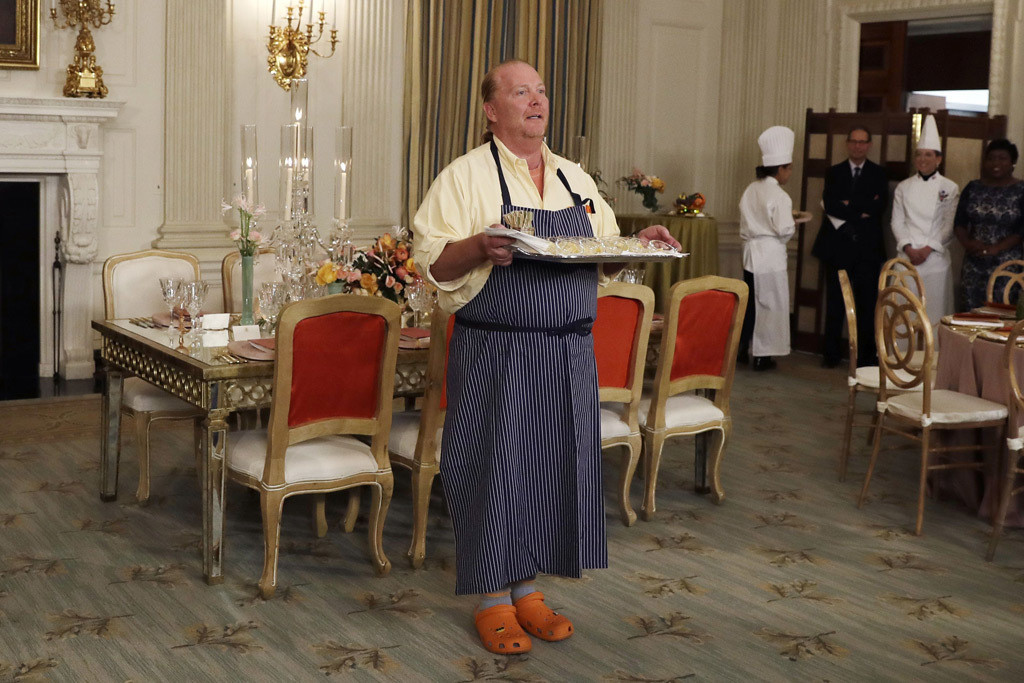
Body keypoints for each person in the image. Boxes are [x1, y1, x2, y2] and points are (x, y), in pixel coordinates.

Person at [411, 59, 678, 655]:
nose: (536, 101)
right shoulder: (462, 178)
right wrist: (479, 246)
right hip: (496, 349)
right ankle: (491, 601)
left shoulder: (576, 181)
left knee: (551, 473)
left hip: (566, 352)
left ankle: (527, 590)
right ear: (490, 108)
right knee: (491, 469)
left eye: (541, 92)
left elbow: (603, 255)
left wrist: (639, 246)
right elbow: (432, 263)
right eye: (520, 92)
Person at [812, 126, 889, 368]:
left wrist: (849, 204)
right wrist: (860, 208)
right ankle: (831, 354)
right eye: (854, 142)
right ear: (847, 144)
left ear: (869, 145)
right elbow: (831, 205)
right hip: (837, 247)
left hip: (867, 249)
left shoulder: (878, 173)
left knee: (867, 303)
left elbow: (879, 207)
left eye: (862, 142)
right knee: (835, 303)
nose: (858, 146)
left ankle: (866, 357)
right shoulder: (833, 172)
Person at [737, 125, 797, 371]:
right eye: (789, 168)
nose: (790, 173)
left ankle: (742, 349)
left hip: (751, 253)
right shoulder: (781, 196)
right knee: (770, 306)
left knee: (750, 304)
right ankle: (763, 355)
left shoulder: (751, 189)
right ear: (781, 168)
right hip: (770, 256)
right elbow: (785, 229)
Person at [891, 114, 958, 323]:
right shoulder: (904, 187)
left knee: (933, 314)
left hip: (935, 260)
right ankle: (902, 354)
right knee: (905, 313)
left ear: (938, 159)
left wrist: (927, 249)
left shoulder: (949, 187)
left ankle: (934, 355)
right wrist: (909, 247)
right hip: (907, 259)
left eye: (928, 155)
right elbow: (897, 221)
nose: (923, 159)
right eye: (919, 154)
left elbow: (948, 225)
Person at [954, 138, 1024, 309]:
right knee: (970, 313)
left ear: (1012, 162)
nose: (996, 163)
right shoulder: (973, 187)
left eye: (1002, 158)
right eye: (991, 158)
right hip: (974, 262)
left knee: (1001, 314)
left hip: (1007, 264)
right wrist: (969, 243)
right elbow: (959, 223)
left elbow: (1022, 229)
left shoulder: (1021, 190)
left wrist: (996, 248)